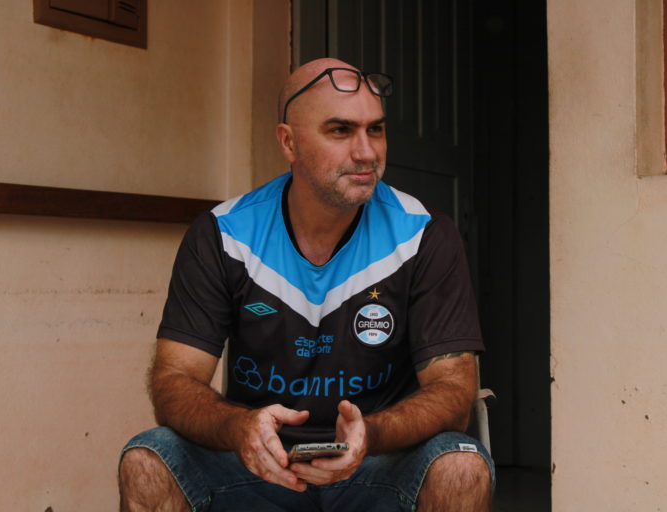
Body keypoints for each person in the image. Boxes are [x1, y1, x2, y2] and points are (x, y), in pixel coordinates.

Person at [118, 57, 494, 512]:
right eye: (340, 131)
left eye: (375, 129)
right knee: (147, 461)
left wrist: (370, 434)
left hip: (378, 464)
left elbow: (454, 391)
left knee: (461, 467)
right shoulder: (224, 234)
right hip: (258, 466)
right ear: (288, 142)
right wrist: (239, 429)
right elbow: (174, 381)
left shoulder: (424, 234)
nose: (366, 152)